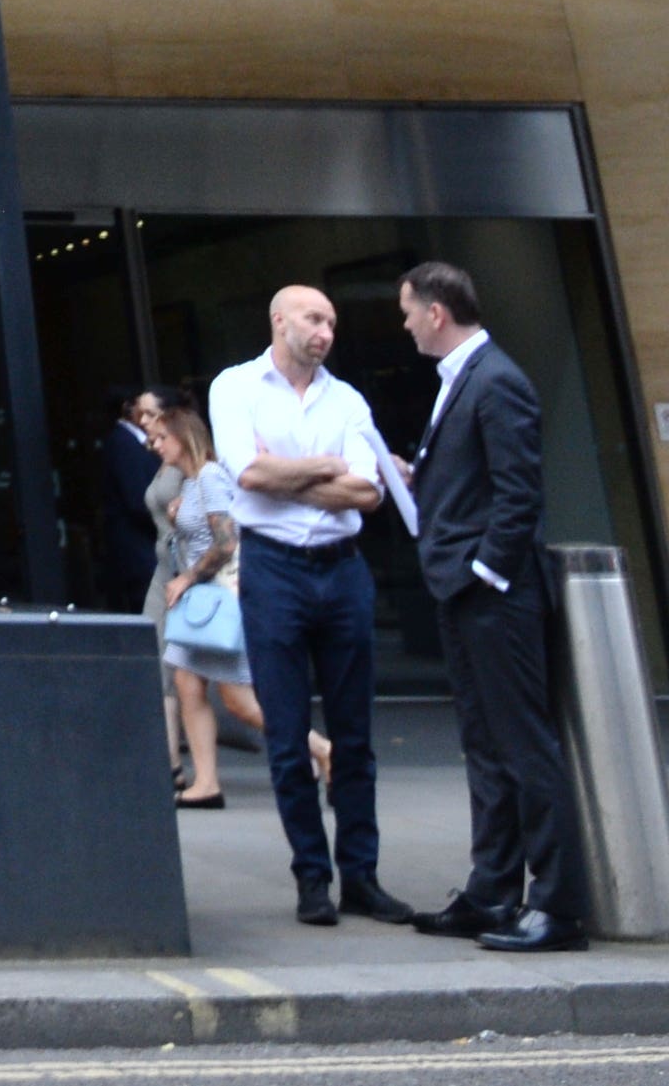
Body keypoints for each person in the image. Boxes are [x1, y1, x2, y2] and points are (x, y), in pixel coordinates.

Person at [209, 280, 411, 929]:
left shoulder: (346, 397)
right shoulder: (234, 387)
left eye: (330, 320)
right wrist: (325, 467)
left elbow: (367, 494)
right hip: (273, 571)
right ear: (278, 320)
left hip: (342, 571)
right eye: (312, 317)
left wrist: (290, 472)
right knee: (289, 737)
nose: (324, 330)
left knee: (353, 737)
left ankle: (361, 877)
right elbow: (246, 474)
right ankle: (311, 879)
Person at [400, 261, 584, 952]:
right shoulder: (463, 381)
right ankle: (491, 890)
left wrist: (484, 572)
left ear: (436, 312)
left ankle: (558, 906)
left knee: (524, 748)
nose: (406, 323)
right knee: (486, 748)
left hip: (492, 596)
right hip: (461, 589)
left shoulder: (496, 380)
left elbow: (518, 493)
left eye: (407, 311)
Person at [145, 398, 281, 811]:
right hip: (200, 603)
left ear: (183, 438)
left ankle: (321, 750)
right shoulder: (189, 482)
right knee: (186, 685)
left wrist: (187, 576)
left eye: (162, 438)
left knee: (239, 701)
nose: (155, 445)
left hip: (216, 599)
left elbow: (226, 543)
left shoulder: (209, 478)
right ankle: (205, 782)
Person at [86, 382, 165, 616]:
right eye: (144, 408)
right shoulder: (123, 443)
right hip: (138, 548)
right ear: (128, 408)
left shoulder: (138, 441)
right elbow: (137, 500)